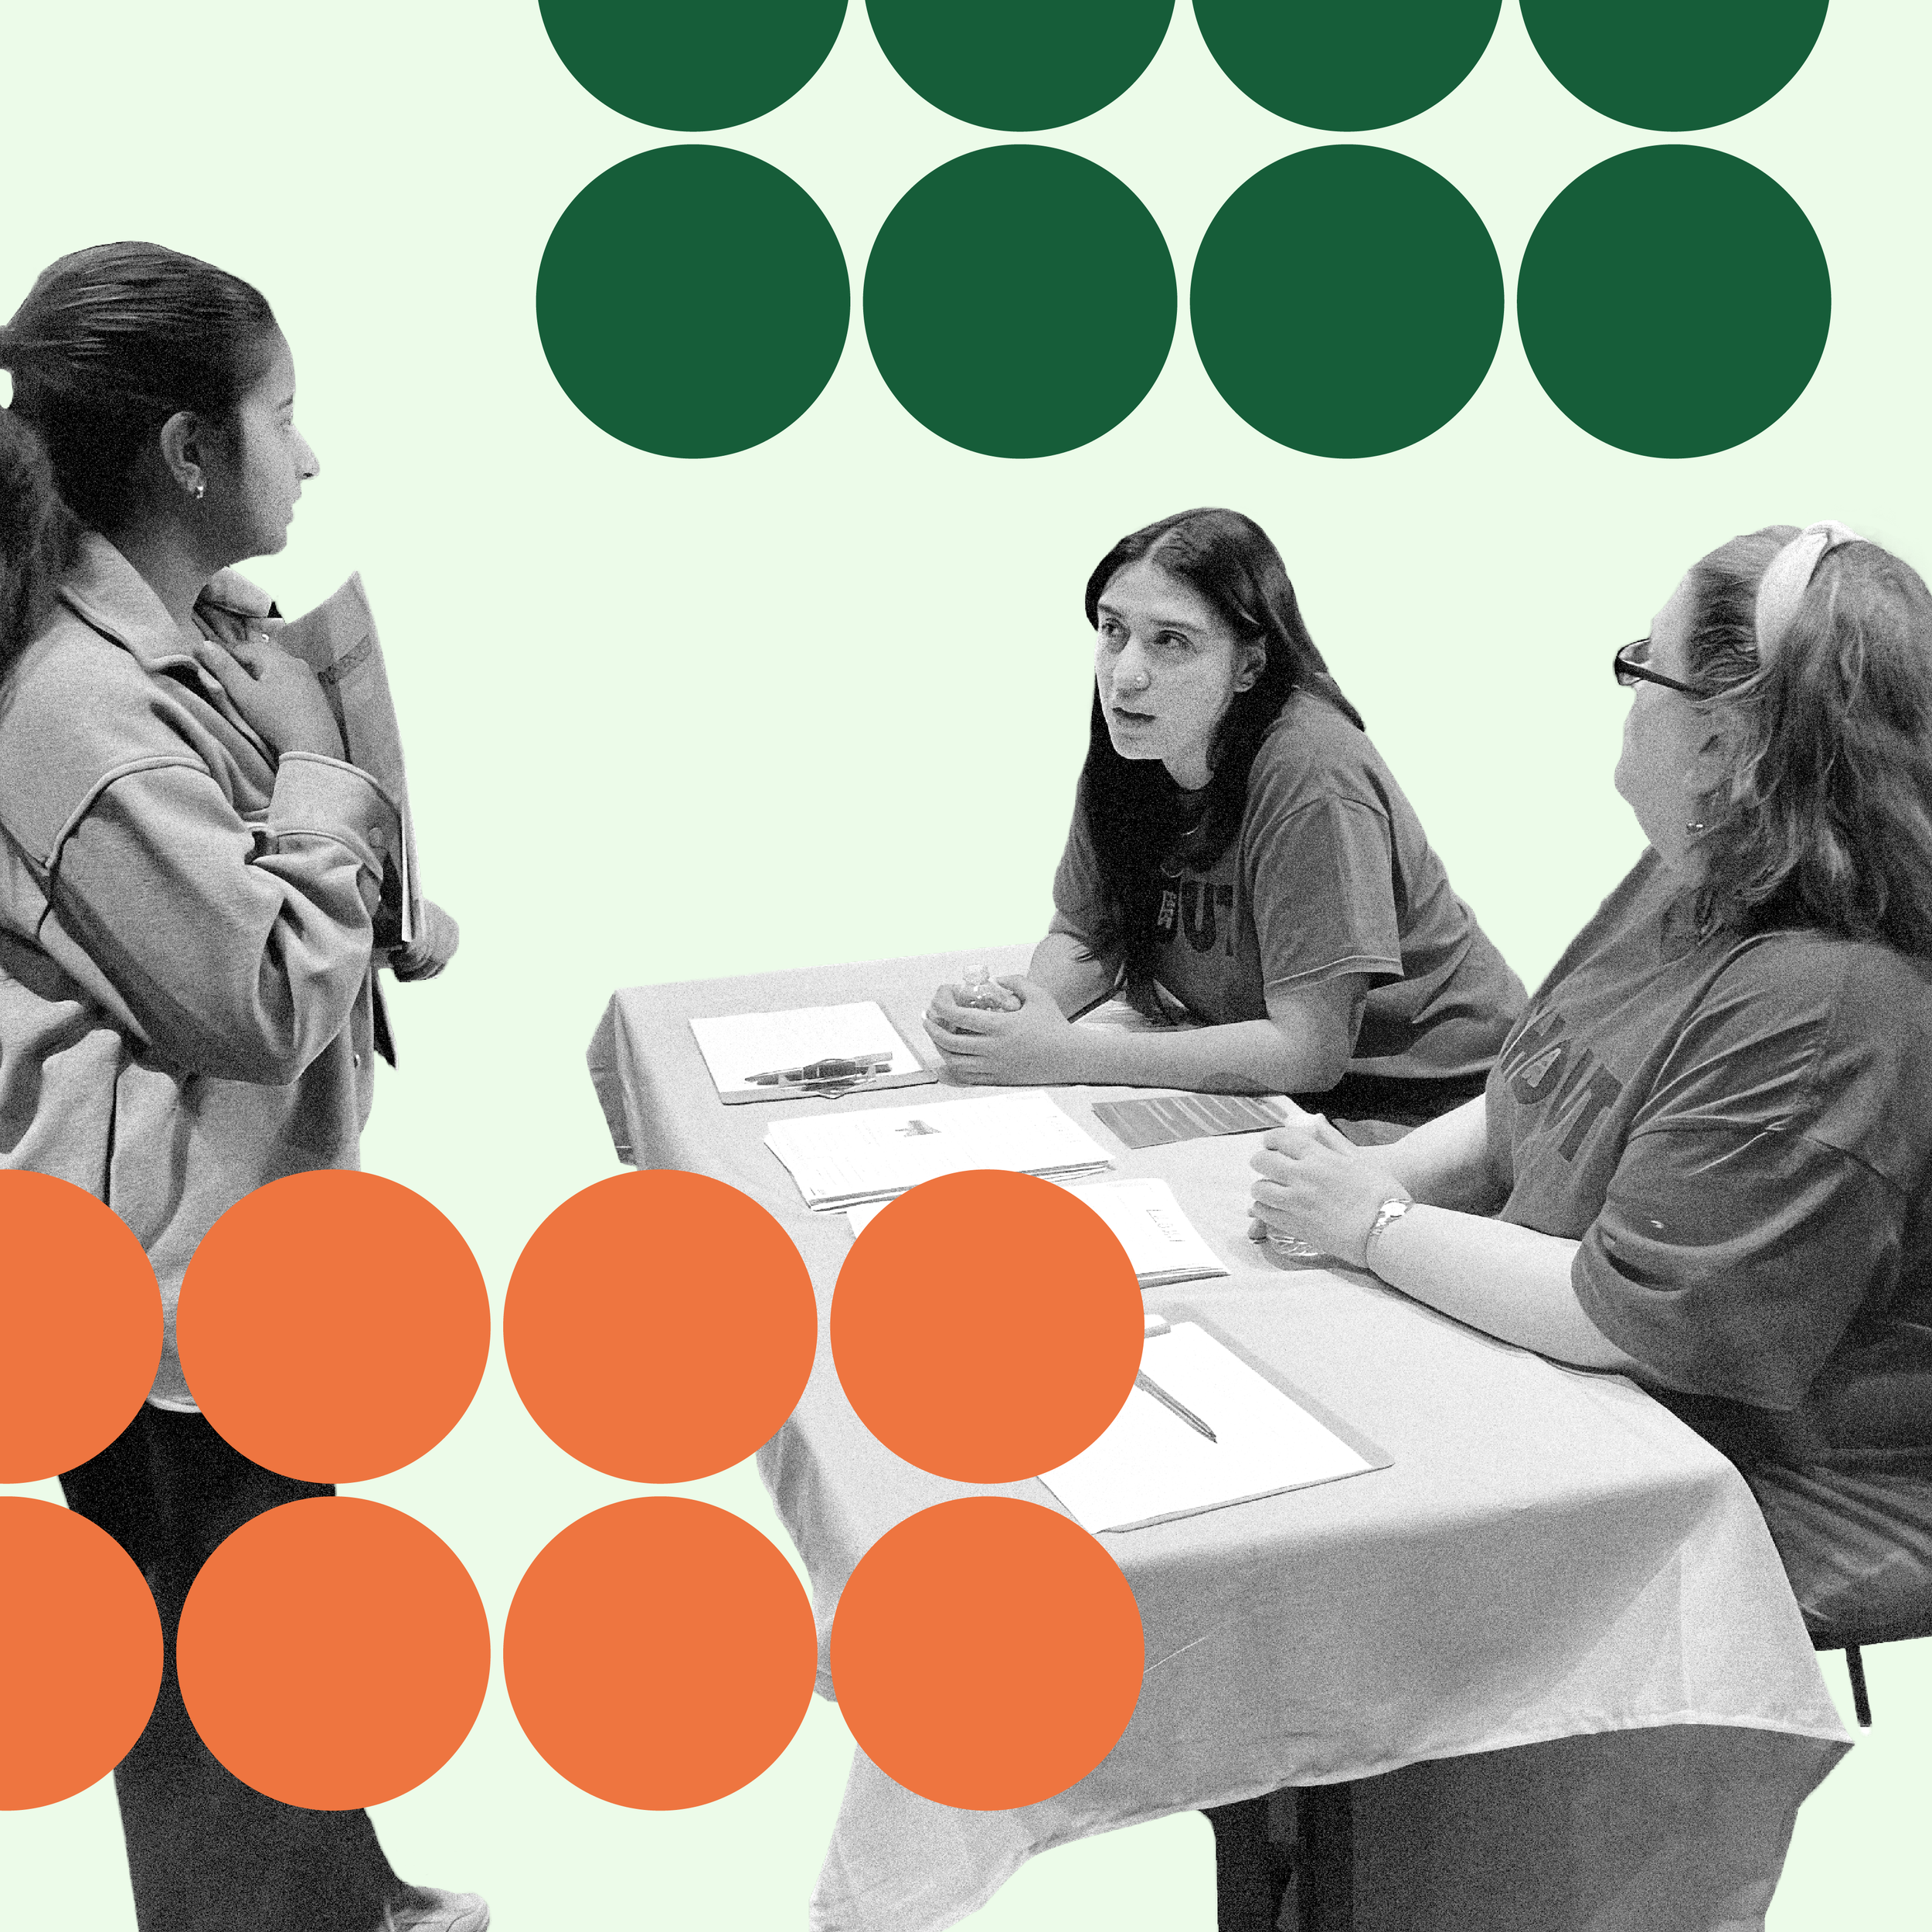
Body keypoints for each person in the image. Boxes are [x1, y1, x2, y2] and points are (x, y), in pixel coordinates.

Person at [0, 243, 483, 1932]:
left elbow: (283, 917)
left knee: (281, 1591)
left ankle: (340, 1892)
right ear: (193, 451)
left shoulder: (186, 640)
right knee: (212, 1644)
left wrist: (346, 851)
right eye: (286, 415)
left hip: (234, 1237)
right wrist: (323, 783)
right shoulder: (81, 707)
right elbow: (258, 987)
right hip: (150, 1280)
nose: (311, 453)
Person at [1249, 522, 1932, 1652]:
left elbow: (1627, 1319)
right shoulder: (1704, 865)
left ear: (1722, 738)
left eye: (1641, 665)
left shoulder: (1830, 1008)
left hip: (1753, 1477)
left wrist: (1371, 1225)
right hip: (1572, 1364)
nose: (1629, 695)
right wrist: (1366, 1178)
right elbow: (1532, 1097)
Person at [924, 507, 1524, 1134]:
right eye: (1113, 630)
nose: (1125, 674)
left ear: (1249, 666)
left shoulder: (1313, 774)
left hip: (1433, 1109)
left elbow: (1308, 1050)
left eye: (1171, 641)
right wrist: (1015, 1015)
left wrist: (1064, 1053)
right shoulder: (1140, 743)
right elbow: (1087, 934)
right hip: (1289, 1095)